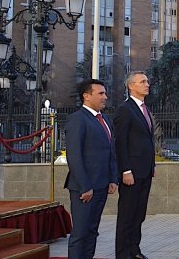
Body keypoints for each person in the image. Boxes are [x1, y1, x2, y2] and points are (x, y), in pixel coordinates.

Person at [65, 79, 119, 259]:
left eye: (105, 93)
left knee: (92, 231)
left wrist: (113, 178)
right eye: (100, 93)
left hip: (102, 185)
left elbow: (111, 151)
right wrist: (85, 186)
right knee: (80, 233)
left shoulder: (105, 120)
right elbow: (74, 156)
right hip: (85, 188)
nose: (105, 97)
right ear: (86, 96)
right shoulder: (78, 119)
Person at [115, 71, 157, 259]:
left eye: (147, 81)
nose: (147, 84)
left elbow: (148, 140)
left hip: (145, 171)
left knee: (139, 214)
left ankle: (135, 250)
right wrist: (125, 170)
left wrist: (152, 165)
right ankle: (123, 254)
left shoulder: (145, 109)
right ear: (131, 86)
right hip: (131, 172)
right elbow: (120, 142)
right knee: (127, 215)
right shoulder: (125, 109)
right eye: (142, 82)